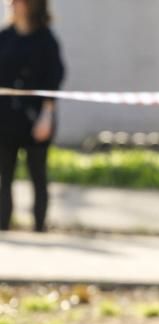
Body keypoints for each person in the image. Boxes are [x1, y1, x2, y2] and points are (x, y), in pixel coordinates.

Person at [0, 0, 64, 232]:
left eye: (18, 2)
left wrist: (47, 115)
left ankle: (39, 227)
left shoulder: (46, 41)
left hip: (36, 117)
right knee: (4, 175)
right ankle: (3, 227)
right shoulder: (5, 37)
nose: (12, 5)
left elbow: (54, 79)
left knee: (37, 173)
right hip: (6, 118)